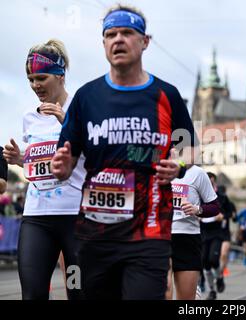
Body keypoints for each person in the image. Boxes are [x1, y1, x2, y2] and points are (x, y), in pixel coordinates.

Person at [50, 5, 197, 300]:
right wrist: (62, 167)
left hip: (149, 233)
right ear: (103, 43)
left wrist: (178, 163)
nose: (118, 39)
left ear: (145, 41)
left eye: (127, 33)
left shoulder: (167, 95)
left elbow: (189, 146)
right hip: (95, 234)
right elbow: (66, 158)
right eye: (110, 34)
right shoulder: (86, 97)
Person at [3, 39, 85, 300]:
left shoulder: (81, 108)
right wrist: (19, 158)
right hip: (37, 217)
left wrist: (68, 122)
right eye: (30, 79)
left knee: (79, 292)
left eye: (41, 77)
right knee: (33, 294)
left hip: (76, 218)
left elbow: (99, 156)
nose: (35, 85)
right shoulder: (30, 116)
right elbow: (41, 161)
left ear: (61, 76)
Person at [166, 149, 220, 300]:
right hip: (161, 236)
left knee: (186, 298)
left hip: (188, 237)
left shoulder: (197, 173)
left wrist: (198, 209)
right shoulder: (157, 168)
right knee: (165, 291)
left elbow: (215, 207)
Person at [199, 172, 225, 300]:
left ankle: (220, 277)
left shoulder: (219, 197)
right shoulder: (199, 196)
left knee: (213, 260)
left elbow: (227, 212)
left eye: (212, 181)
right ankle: (212, 290)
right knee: (205, 262)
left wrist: (222, 216)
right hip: (203, 234)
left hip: (216, 234)